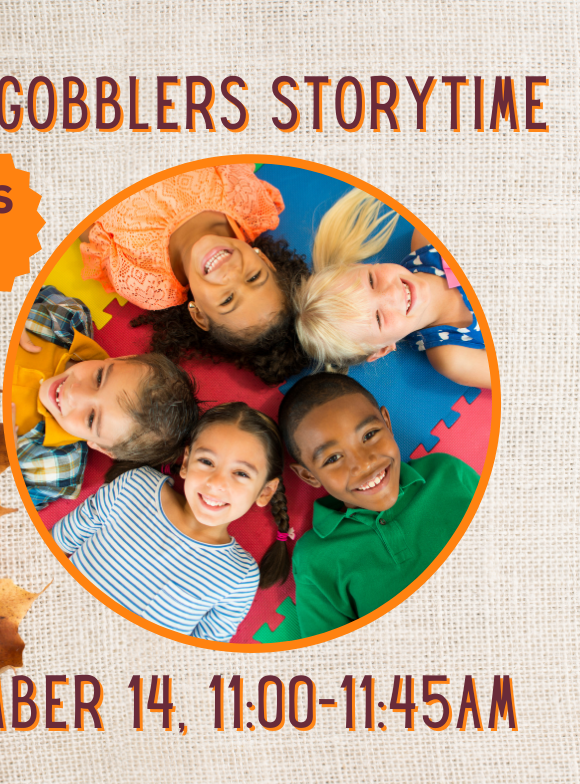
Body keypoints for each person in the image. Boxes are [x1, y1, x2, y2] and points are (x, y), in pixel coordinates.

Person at [51, 403, 293, 642]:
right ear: (186, 462)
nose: (216, 483)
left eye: (241, 473)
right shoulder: (134, 487)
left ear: (265, 491)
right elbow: (57, 543)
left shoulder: (239, 576)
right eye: (207, 462)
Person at [278, 373, 479, 638]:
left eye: (369, 435)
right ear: (308, 476)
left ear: (387, 422)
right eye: (333, 458)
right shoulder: (314, 559)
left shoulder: (446, 473)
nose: (364, 463)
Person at [80, 164, 310, 385]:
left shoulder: (143, 281)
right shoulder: (246, 199)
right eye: (253, 278)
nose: (230, 274)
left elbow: (85, 226)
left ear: (199, 314)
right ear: (264, 260)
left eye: (228, 299)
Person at [12, 285, 199, 510]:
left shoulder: (55, 469)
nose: (75, 392)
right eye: (99, 378)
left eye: (91, 418)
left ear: (100, 447)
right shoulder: (68, 319)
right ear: (122, 359)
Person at [295, 188, 490, 388]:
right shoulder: (454, 358)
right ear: (383, 349)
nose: (392, 293)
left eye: (371, 281)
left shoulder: (427, 238)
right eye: (378, 318)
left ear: (360, 266)